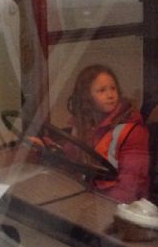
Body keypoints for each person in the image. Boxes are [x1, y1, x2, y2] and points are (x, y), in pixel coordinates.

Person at [64, 64, 150, 203]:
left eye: (113, 88)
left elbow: (130, 184)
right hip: (90, 197)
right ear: (86, 98)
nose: (110, 95)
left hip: (119, 205)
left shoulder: (132, 131)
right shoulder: (88, 126)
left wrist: (99, 207)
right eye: (102, 90)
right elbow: (73, 164)